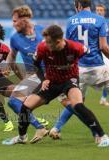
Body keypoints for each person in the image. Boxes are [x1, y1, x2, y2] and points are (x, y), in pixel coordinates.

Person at [2, 25, 109, 147]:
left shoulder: (75, 48)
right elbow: (36, 64)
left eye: (49, 42)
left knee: (78, 105)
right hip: (51, 82)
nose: (46, 44)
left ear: (58, 41)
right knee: (26, 107)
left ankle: (102, 136)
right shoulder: (42, 47)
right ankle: (22, 137)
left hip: (69, 81)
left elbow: (89, 51)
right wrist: (43, 80)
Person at [49, 0, 109, 143]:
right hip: (97, 68)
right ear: (90, 6)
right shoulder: (100, 20)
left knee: (76, 102)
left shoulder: (70, 21)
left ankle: (57, 128)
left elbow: (66, 47)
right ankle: (97, 134)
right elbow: (103, 47)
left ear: (78, 6)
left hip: (78, 69)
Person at [6, 5, 49, 143]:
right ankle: (38, 128)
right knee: (14, 102)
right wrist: (7, 66)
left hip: (53, 75)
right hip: (35, 76)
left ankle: (98, 134)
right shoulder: (15, 38)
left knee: (72, 104)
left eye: (15, 21)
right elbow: (12, 57)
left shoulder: (43, 32)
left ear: (24, 19)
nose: (13, 24)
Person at [96, 4, 109, 106]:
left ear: (104, 12)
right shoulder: (93, 22)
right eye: (97, 10)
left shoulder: (107, 23)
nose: (99, 12)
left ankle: (103, 98)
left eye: (101, 10)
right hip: (98, 53)